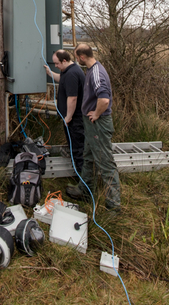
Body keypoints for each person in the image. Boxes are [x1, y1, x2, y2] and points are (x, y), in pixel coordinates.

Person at [65, 44, 121, 213]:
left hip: (99, 124)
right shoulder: (91, 70)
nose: (76, 60)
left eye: (76, 57)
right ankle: (84, 189)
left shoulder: (96, 73)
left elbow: (104, 100)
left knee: (105, 163)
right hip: (91, 125)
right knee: (88, 156)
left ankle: (113, 206)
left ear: (82, 57)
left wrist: (96, 114)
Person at [44, 49, 85, 172]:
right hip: (74, 118)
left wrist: (68, 117)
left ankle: (84, 182)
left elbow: (72, 98)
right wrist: (50, 73)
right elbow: (62, 79)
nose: (56, 66)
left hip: (75, 119)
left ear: (65, 60)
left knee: (78, 149)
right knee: (75, 146)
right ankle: (80, 176)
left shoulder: (72, 74)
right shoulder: (69, 71)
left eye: (57, 63)